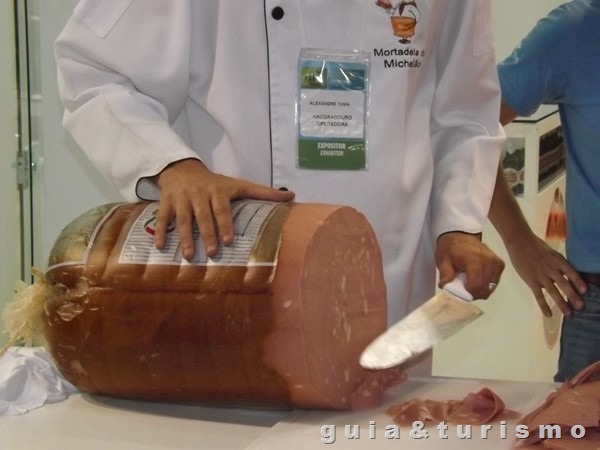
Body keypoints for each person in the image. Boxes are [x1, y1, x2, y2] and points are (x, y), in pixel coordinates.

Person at [54, 0, 505, 369]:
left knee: (375, 422)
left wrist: (458, 224)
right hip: (233, 262)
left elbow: (466, 114)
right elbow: (91, 70)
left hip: (389, 269)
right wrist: (172, 165)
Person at [489, 0, 600, 381]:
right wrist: (518, 239)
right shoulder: (576, 31)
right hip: (595, 305)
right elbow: (469, 130)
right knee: (576, 421)